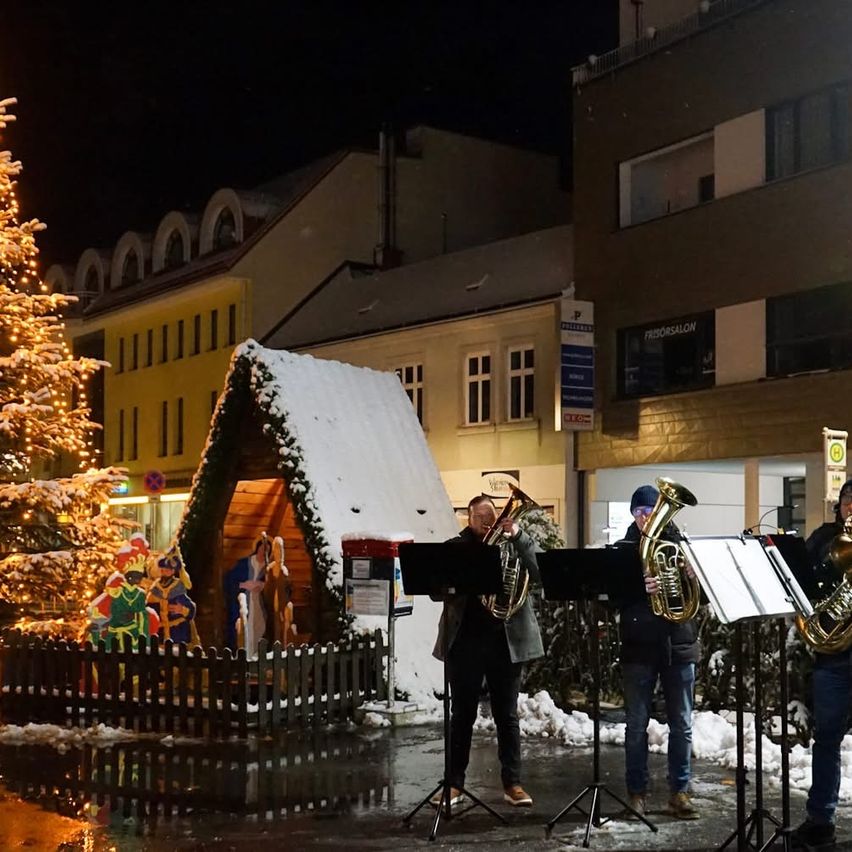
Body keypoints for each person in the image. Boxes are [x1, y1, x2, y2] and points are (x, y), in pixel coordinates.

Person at [431, 494, 544, 809]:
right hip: (464, 644)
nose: (486, 520)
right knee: (461, 716)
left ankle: (513, 784)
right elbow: (433, 589)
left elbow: (541, 571)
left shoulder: (514, 546)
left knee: (507, 716)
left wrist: (519, 536)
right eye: (480, 515)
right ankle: (453, 784)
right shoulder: (455, 548)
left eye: (491, 515)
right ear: (468, 518)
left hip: (505, 644)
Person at [616, 484, 700, 820]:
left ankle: (680, 792)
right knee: (636, 725)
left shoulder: (681, 546)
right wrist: (639, 586)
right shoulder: (623, 550)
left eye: (649, 511)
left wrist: (696, 578)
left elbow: (701, 601)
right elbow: (611, 598)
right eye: (639, 512)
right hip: (638, 648)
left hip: (679, 644)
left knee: (682, 724)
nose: (644, 518)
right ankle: (637, 792)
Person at [791, 477, 852, 849]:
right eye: (847, 499)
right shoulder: (823, 538)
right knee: (826, 738)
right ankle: (820, 819)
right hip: (834, 656)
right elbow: (803, 583)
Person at [224, 535, 270, 652]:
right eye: (262, 548)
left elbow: (271, 585)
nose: (263, 551)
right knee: (242, 628)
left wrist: (262, 585)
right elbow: (229, 580)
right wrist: (245, 585)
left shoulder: (268, 568)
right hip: (243, 601)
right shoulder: (244, 564)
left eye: (267, 550)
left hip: (259, 605)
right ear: (257, 548)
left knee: (259, 629)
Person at [147, 544, 197, 645]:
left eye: (167, 570)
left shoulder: (177, 587)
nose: (164, 572)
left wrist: (182, 609)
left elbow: (191, 608)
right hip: (159, 634)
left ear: (173, 571)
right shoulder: (155, 588)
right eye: (163, 570)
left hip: (178, 633)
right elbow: (149, 608)